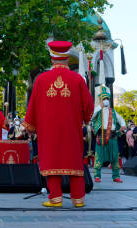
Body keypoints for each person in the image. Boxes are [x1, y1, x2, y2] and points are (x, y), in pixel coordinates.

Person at [23, 41, 94, 207]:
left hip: (48, 131)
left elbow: (32, 105)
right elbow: (89, 106)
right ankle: (78, 199)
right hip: (72, 130)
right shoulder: (78, 79)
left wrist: (30, 126)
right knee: (74, 162)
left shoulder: (41, 79)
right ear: (67, 59)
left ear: (52, 59)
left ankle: (55, 198)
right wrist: (85, 120)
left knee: (51, 161)